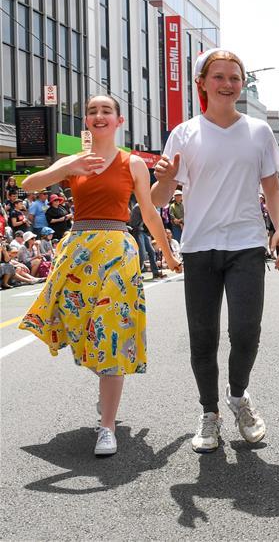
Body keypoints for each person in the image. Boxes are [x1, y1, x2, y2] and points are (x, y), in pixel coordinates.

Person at [17, 94, 180, 456]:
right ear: (86, 121)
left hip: (117, 252)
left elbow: (150, 214)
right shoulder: (73, 162)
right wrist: (68, 166)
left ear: (119, 121)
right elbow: (27, 186)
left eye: (107, 111)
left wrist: (167, 253)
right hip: (76, 250)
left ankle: (107, 425)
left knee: (111, 332)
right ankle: (106, 386)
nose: (99, 115)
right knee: (76, 327)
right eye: (92, 111)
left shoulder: (133, 163)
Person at [151, 48, 279, 453]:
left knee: (246, 332)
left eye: (234, 77)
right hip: (199, 247)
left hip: (246, 244)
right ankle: (209, 412)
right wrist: (165, 178)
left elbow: (272, 188)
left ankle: (239, 395)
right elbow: (161, 196)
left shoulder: (258, 131)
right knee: (203, 337)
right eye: (220, 77)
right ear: (202, 84)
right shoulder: (184, 133)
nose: (228, 84)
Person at [129, 201, 164, 279]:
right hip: (137, 231)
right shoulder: (139, 206)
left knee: (151, 252)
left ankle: (155, 272)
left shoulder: (145, 205)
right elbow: (149, 218)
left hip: (142, 231)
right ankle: (137, 274)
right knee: (142, 254)